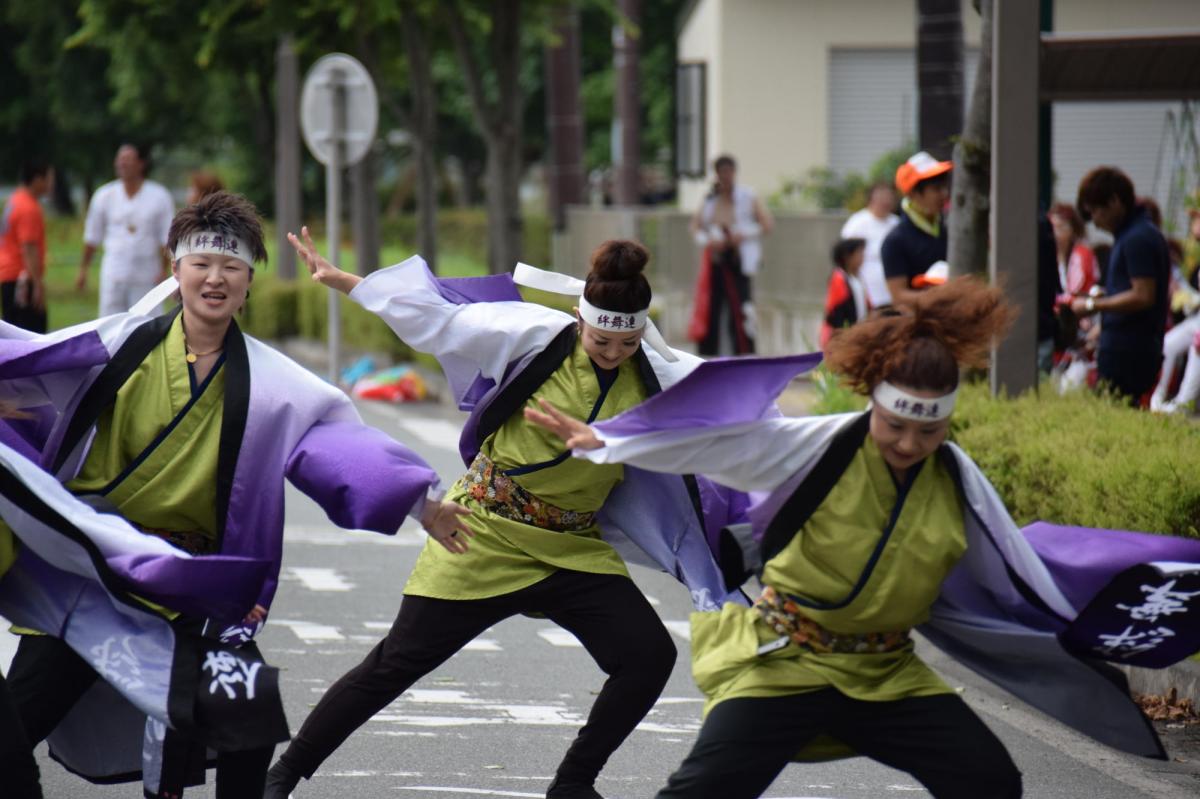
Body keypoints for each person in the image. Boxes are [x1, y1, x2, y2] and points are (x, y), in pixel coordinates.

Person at [528, 277, 1200, 798]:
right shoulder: (820, 445)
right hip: (787, 660)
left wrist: (1099, 615)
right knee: (701, 791)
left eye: (928, 431)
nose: (910, 443)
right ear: (874, 402)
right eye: (896, 425)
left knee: (989, 780)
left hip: (887, 673)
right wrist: (610, 437)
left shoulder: (956, 476)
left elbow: (1021, 567)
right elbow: (726, 442)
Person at [2, 191, 463, 798]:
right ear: (175, 269)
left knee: (249, 728)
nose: (215, 279)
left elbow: (337, 448)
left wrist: (420, 500)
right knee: (15, 724)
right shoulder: (117, 349)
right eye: (201, 264)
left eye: (232, 267)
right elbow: (31, 365)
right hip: (97, 577)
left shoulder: (274, 384)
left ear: (249, 282)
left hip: (195, 589)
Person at [265, 234, 760, 799]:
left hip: (572, 545)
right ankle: (284, 774)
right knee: (394, 665)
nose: (614, 352)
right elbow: (441, 321)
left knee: (648, 656)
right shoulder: (533, 334)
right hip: (484, 531)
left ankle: (573, 783)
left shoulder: (655, 371)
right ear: (580, 317)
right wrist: (347, 283)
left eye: (627, 342)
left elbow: (734, 404)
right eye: (602, 339)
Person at [1071, 167, 1170, 405]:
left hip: (1129, 351)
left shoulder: (1137, 239)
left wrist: (1093, 304)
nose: (1094, 220)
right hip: (1130, 346)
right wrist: (1108, 296)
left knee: (1113, 410)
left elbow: (1143, 295)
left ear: (1114, 201)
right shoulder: (1137, 234)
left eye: (1096, 211)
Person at [688, 154, 774, 355]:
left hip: (739, 259)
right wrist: (708, 240)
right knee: (712, 308)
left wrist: (743, 234)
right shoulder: (710, 199)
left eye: (728, 172)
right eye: (721, 173)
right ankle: (709, 353)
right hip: (717, 260)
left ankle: (744, 351)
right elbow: (695, 226)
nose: (725, 177)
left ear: (734, 173)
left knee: (742, 309)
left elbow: (767, 224)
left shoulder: (747, 196)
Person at [76, 143, 175, 316]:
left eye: (128, 159)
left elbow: (166, 237)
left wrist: (164, 268)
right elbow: (92, 235)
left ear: (141, 164)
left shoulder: (159, 196)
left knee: (145, 324)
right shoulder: (104, 195)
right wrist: (83, 269)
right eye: (120, 159)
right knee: (111, 323)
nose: (123, 164)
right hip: (114, 271)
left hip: (146, 273)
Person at [881, 151, 952, 308]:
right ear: (913, 193)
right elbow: (898, 296)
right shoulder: (896, 241)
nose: (944, 194)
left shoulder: (947, 229)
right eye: (936, 189)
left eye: (944, 188)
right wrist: (942, 296)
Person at [0, 160, 53, 333]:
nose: (51, 184)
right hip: (22, 279)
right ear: (37, 179)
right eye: (49, 178)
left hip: (8, 276)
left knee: (13, 334)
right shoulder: (29, 207)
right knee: (31, 336)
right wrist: (37, 284)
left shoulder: (14, 200)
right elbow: (28, 247)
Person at [840, 181, 898, 307]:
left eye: (889, 198)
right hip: (866, 294)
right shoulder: (856, 223)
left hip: (893, 295)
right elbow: (846, 258)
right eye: (882, 198)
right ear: (871, 200)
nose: (886, 202)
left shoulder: (896, 224)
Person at [819, 237, 867, 349]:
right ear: (847, 257)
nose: (862, 257)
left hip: (857, 332)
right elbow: (836, 310)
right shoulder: (839, 277)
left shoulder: (858, 278)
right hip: (842, 335)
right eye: (859, 253)